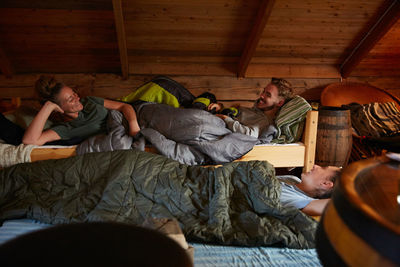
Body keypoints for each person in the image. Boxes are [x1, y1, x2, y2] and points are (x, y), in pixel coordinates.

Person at [22, 76, 140, 146]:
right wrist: (47, 107)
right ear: (59, 108)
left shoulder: (90, 101)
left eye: (74, 93)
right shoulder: (65, 129)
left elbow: (124, 107)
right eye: (70, 99)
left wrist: (133, 126)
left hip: (133, 123)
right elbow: (29, 141)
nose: (77, 98)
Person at [216, 77, 294, 138]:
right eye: (263, 91)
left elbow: (249, 134)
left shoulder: (264, 122)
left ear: (280, 103)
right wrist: (220, 108)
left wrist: (225, 118)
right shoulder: (255, 111)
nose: (261, 95)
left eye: (268, 95)